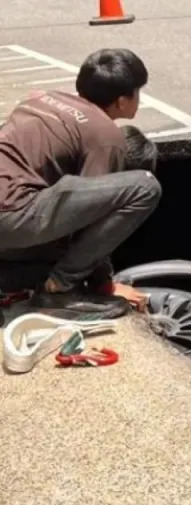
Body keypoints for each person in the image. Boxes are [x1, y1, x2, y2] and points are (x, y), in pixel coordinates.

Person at [0, 47, 161, 317]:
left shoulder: (41, 99)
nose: (138, 101)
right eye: (137, 93)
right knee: (145, 187)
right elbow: (91, 220)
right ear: (122, 101)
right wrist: (104, 284)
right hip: (10, 213)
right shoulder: (105, 135)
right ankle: (58, 290)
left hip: (12, 212)